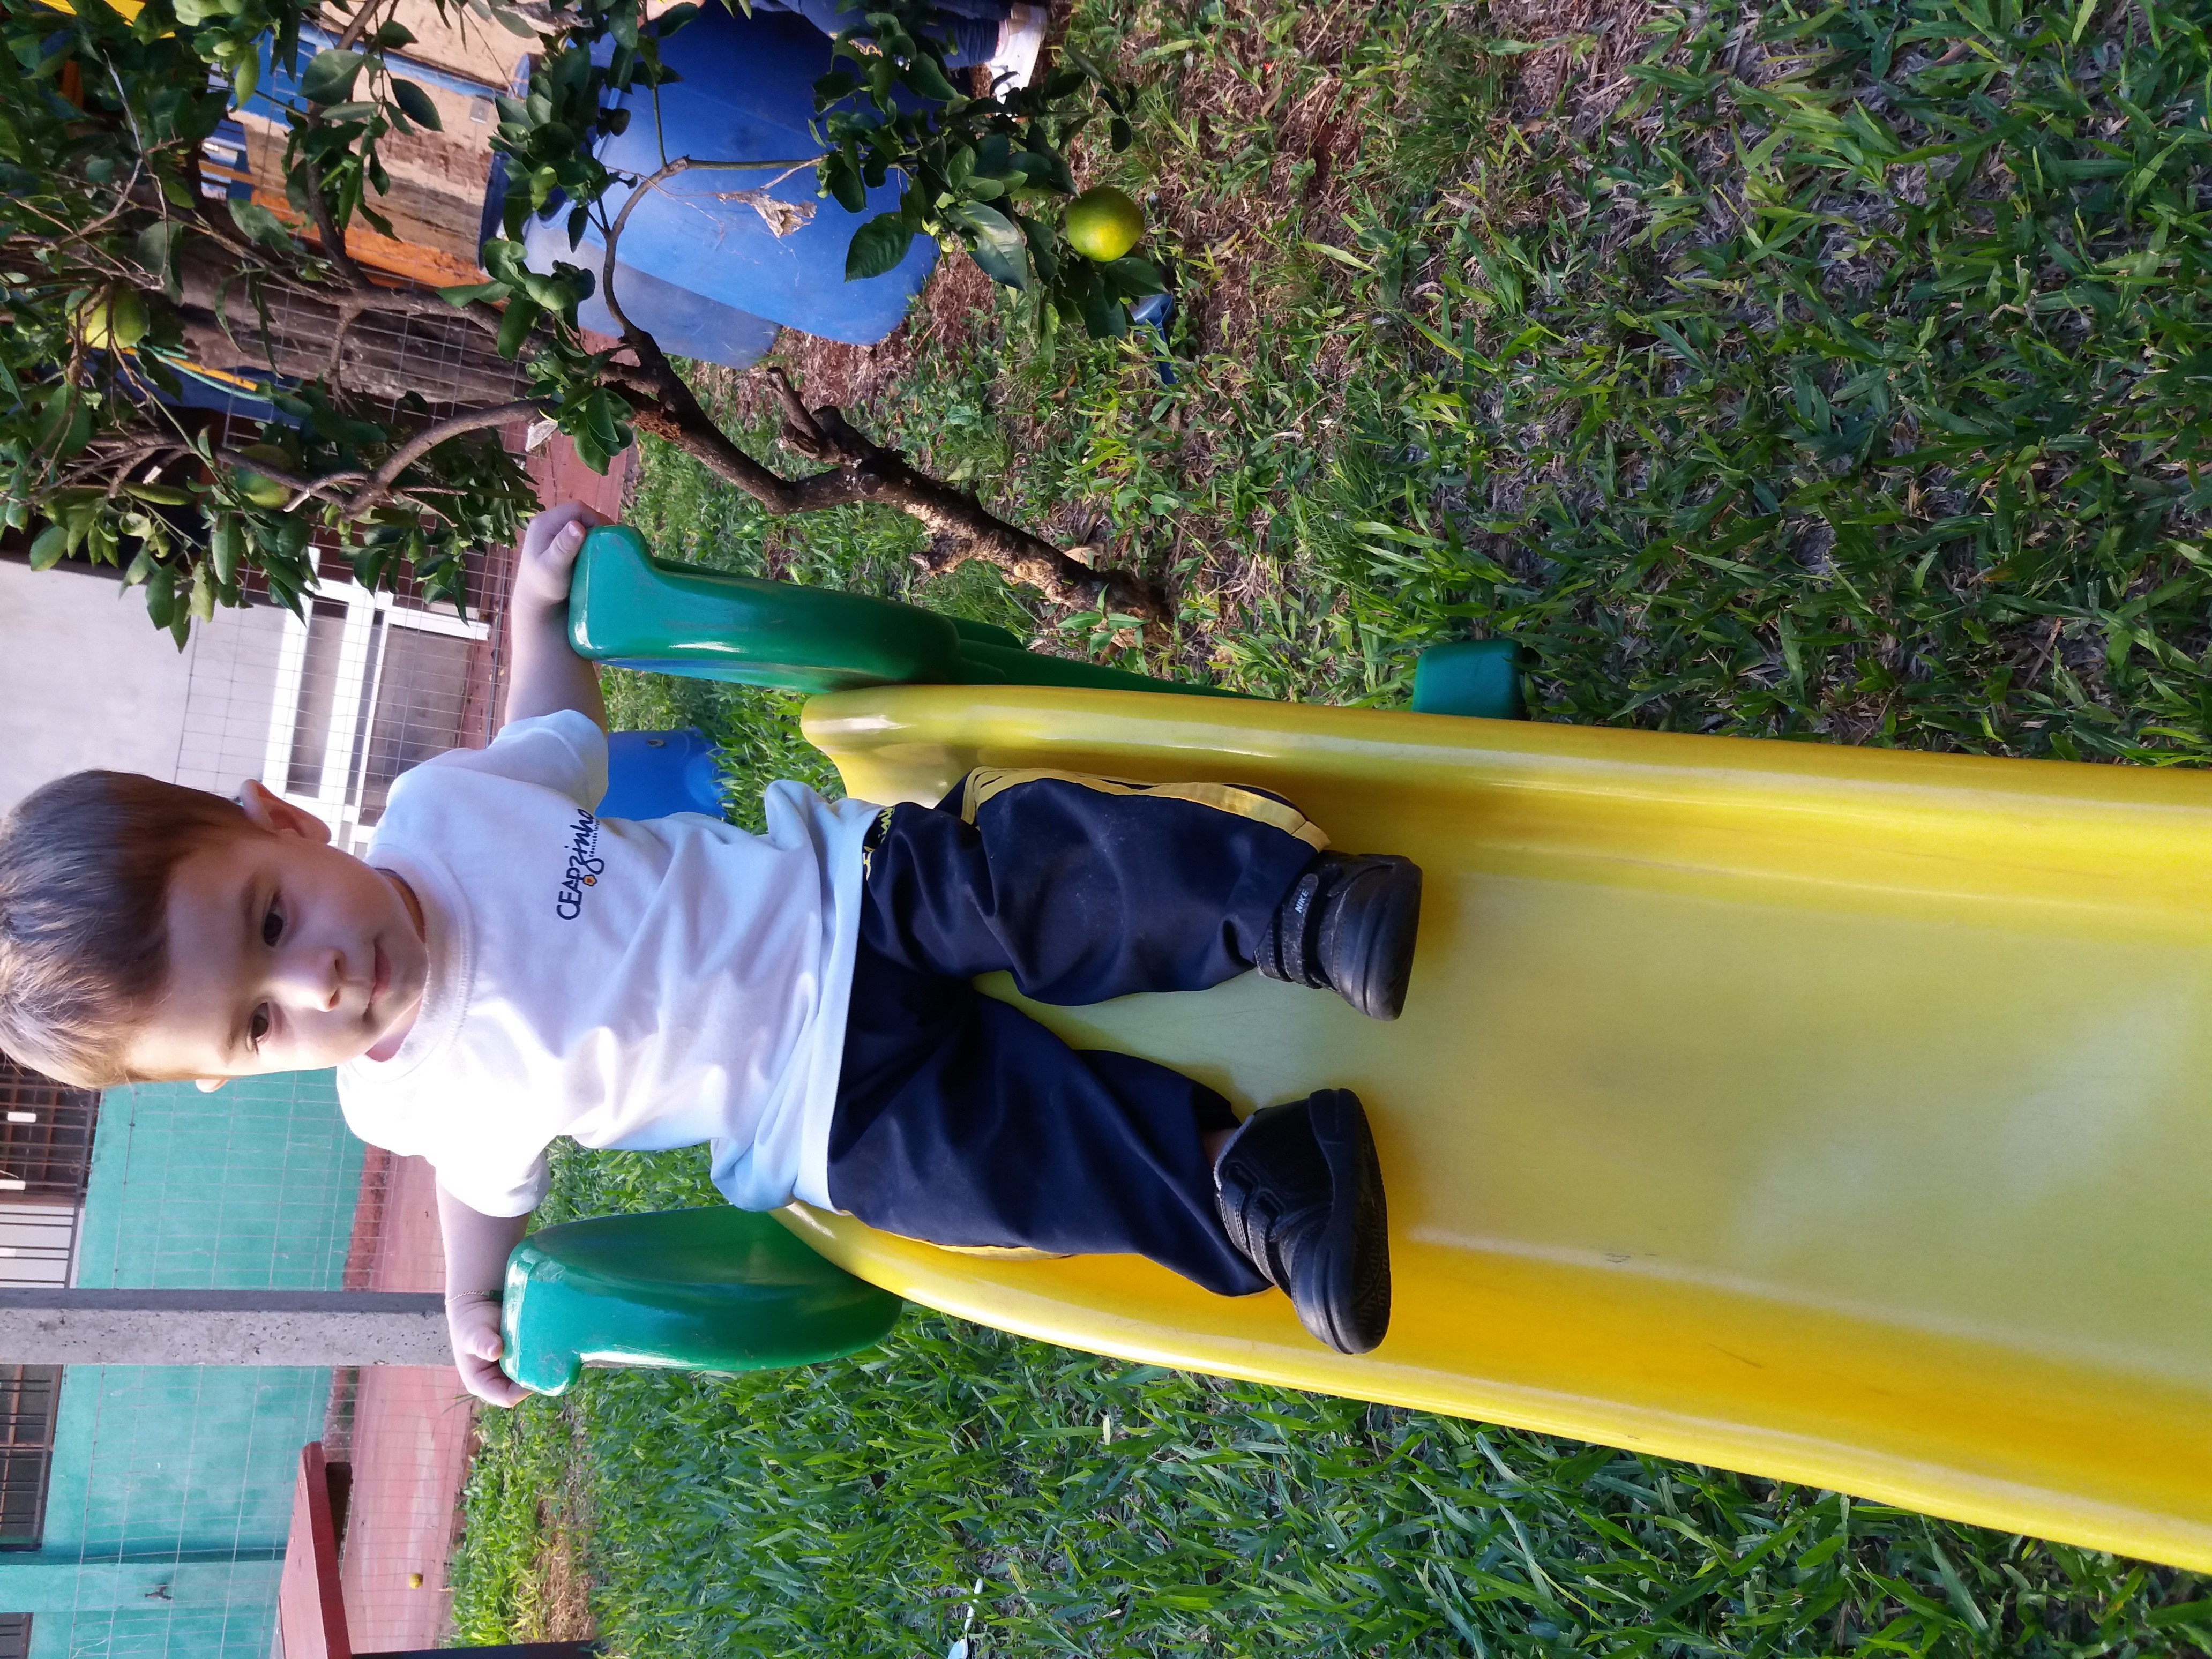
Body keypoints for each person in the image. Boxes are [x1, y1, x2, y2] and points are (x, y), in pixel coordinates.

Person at [0, 503, 1422, 1404]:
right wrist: (467, 1296)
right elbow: (480, 1191)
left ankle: (1293, 905)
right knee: (999, 1176)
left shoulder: (450, 809)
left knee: (1035, 869)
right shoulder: (406, 1102)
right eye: (257, 1024)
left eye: (270, 919)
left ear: (282, 821)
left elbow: (562, 735)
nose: (313, 980)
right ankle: (1252, 1188)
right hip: (817, 1112)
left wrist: (537, 621)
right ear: (225, 1076)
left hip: (849, 898)